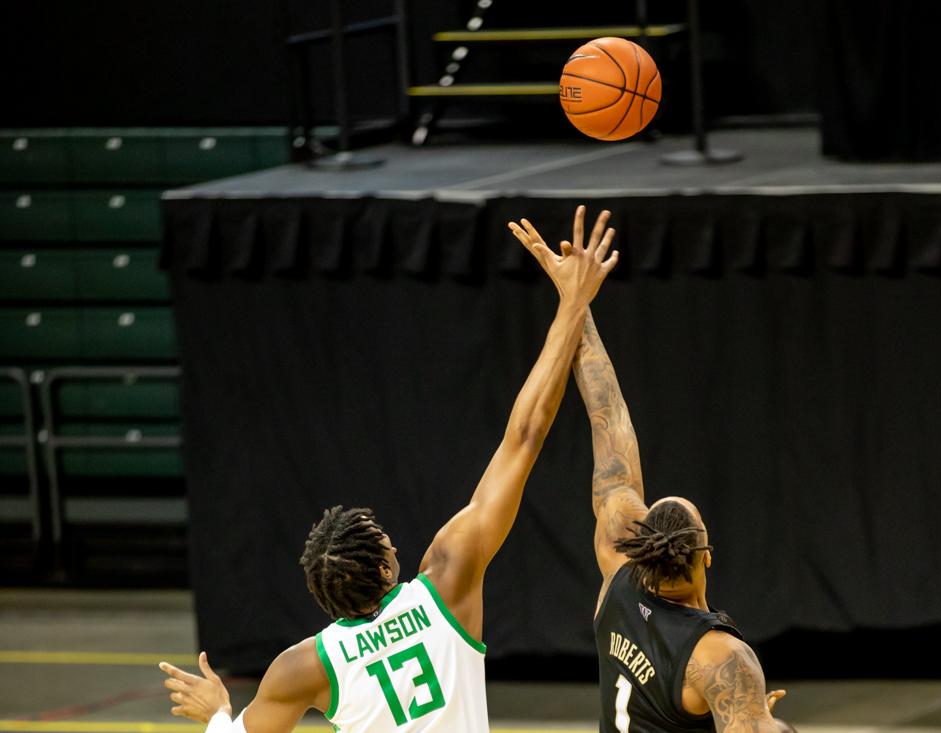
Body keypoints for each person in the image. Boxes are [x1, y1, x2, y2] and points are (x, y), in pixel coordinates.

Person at [158, 205, 620, 733]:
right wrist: (571, 303)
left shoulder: (302, 666)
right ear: (383, 570)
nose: (396, 547)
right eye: (386, 544)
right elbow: (526, 434)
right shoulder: (448, 580)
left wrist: (218, 712)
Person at [563, 302, 793, 733]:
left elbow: (606, 415)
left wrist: (578, 302)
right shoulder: (721, 658)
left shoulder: (618, 577)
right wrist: (767, 722)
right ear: (706, 556)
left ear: (642, 550)